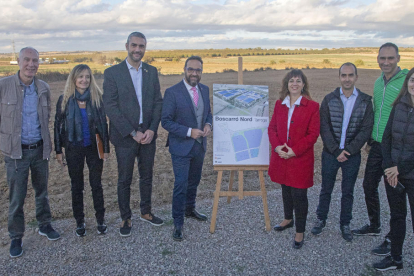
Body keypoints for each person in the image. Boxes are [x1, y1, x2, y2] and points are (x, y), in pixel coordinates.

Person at [0, 47, 60, 258]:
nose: (31, 64)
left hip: (39, 150)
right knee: (17, 197)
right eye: (27, 60)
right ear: (18, 61)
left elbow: (47, 116)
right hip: (16, 153)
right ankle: (16, 236)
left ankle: (44, 224)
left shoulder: (43, 87)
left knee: (41, 192)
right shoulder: (4, 86)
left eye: (35, 60)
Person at [103, 32, 164, 237]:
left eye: (142, 46)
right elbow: (110, 107)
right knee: (125, 179)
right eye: (134, 45)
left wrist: (152, 129)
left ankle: (145, 212)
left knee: (146, 176)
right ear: (127, 46)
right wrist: (132, 132)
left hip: (148, 135)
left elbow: (157, 102)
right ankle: (125, 217)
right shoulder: (112, 73)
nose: (138, 50)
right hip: (125, 137)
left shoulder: (151, 71)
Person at [352, 43, 409, 256]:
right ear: (377, 58)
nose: (386, 62)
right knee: (368, 185)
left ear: (398, 58)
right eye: (382, 58)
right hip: (377, 144)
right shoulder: (377, 82)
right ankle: (374, 225)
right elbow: (376, 112)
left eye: (390, 58)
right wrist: (370, 139)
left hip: (395, 148)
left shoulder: (406, 81)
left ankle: (393, 239)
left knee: (394, 196)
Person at [311, 63, 373, 242]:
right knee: (326, 189)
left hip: (352, 156)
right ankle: (321, 219)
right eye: (344, 75)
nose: (347, 79)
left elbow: (365, 130)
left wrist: (348, 151)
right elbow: (324, 127)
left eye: (350, 75)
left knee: (348, 191)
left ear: (356, 77)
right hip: (331, 154)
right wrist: (336, 150)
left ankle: (345, 223)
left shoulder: (365, 101)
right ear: (339, 77)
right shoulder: (329, 99)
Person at [54, 64, 110, 237]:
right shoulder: (64, 99)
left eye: (87, 76)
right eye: (81, 77)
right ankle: (80, 222)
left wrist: (106, 148)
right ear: (74, 79)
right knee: (76, 186)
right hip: (73, 148)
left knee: (96, 185)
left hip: (94, 148)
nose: (84, 80)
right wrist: (58, 150)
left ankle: (100, 219)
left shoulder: (97, 98)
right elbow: (57, 126)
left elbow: (103, 125)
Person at [161, 56, 212, 241]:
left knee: (194, 181)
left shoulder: (204, 90)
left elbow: (208, 114)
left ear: (201, 72)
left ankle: (190, 210)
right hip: (181, 148)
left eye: (198, 70)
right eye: (191, 69)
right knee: (181, 185)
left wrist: (208, 124)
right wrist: (189, 131)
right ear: (184, 69)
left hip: (199, 147)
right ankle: (178, 222)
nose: (194, 73)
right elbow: (165, 121)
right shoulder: (173, 92)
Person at [268, 69, 320, 249]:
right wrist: (277, 147)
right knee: (285, 189)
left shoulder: (312, 107)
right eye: (291, 81)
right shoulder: (279, 104)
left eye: (298, 81)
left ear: (303, 84)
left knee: (299, 194)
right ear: (287, 84)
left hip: (300, 159)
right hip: (281, 156)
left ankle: (300, 230)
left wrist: (294, 151)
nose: (295, 84)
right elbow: (272, 128)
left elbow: (313, 134)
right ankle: (288, 219)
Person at [372, 68, 414, 271]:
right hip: (393, 175)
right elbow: (386, 138)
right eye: (413, 80)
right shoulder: (398, 106)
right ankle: (396, 259)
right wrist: (389, 166)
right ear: (407, 82)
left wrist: (399, 168)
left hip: (410, 175)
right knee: (397, 217)